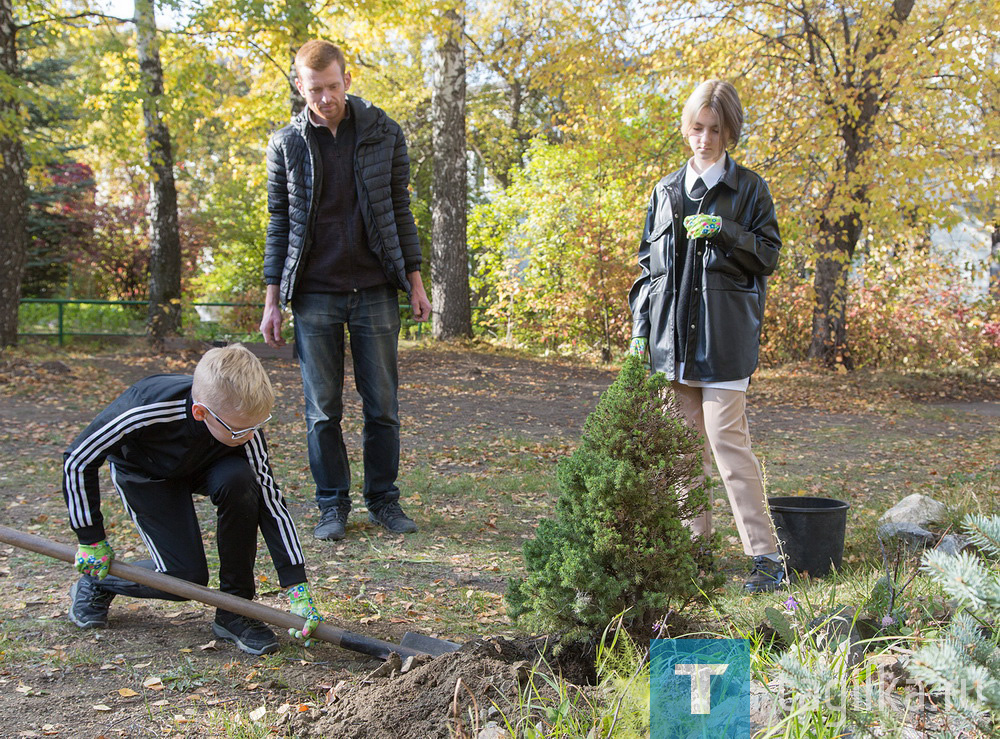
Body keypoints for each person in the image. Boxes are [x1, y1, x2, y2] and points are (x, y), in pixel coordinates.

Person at [260, 39, 431, 542]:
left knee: (382, 406)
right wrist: (272, 301)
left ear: (347, 80)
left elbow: (400, 211)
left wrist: (415, 284)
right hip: (313, 295)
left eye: (333, 87)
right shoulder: (285, 144)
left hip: (376, 288)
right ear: (300, 87)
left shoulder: (384, 133)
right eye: (315, 90)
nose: (326, 97)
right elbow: (278, 223)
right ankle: (332, 505)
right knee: (322, 411)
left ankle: (384, 500)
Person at [627, 80, 787, 594]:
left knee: (726, 440)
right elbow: (648, 272)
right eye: (697, 127)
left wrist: (725, 230)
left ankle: (766, 558)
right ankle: (694, 556)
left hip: (725, 340)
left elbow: (769, 255)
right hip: (670, 344)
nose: (705, 139)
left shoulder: (750, 190)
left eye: (716, 129)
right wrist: (639, 332)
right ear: (686, 128)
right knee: (681, 449)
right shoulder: (665, 191)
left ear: (729, 131)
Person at [63, 344, 322, 655]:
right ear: (201, 412)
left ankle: (235, 610)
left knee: (241, 480)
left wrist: (296, 583)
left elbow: (270, 498)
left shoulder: (241, 427)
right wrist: (90, 538)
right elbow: (78, 460)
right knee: (184, 579)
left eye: (257, 426)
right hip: (145, 473)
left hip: (207, 465)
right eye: (241, 430)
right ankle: (98, 583)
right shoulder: (145, 406)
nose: (251, 436)